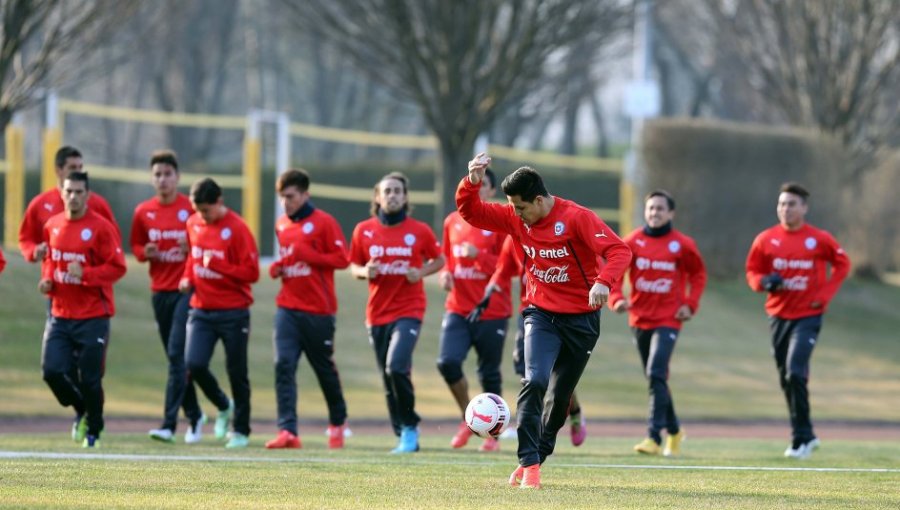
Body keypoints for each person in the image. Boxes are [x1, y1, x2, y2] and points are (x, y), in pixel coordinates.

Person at [457, 155, 631, 489]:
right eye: (512, 208)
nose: (516, 214)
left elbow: (620, 251)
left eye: (521, 207)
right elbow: (472, 212)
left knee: (558, 398)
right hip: (541, 315)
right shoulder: (515, 217)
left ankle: (535, 461)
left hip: (582, 321)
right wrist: (472, 182)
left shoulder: (577, 218)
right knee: (534, 381)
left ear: (538, 200)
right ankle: (529, 465)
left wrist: (603, 282)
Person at [745, 182, 850, 459]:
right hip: (778, 315)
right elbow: (752, 272)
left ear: (804, 207)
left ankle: (798, 439)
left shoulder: (819, 238)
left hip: (808, 315)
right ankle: (807, 435)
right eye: (781, 204)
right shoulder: (765, 239)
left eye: (791, 204)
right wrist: (765, 281)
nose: (785, 209)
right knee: (786, 378)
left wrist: (824, 294)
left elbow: (843, 264)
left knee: (794, 371)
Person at [349, 172, 444, 454]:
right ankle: (402, 432)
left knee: (396, 366)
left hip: (409, 310)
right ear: (377, 197)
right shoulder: (363, 230)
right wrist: (365, 271)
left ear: (405, 197)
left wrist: (421, 272)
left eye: (397, 191)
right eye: (387, 191)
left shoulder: (419, 230)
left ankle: (411, 426)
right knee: (388, 378)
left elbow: (439, 259)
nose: (392, 195)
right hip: (377, 315)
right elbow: (353, 265)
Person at [609, 190, 707, 457]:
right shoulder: (633, 241)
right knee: (656, 378)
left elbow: (698, 274)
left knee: (655, 372)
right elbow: (615, 270)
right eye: (651, 208)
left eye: (660, 209)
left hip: (669, 319)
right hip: (639, 318)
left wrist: (690, 303)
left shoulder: (682, 244)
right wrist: (616, 298)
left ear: (670, 213)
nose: (654, 213)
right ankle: (674, 430)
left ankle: (653, 437)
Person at [38, 171, 126, 448]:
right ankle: (82, 409)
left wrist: (86, 273)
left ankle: (94, 430)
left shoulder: (100, 228)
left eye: (79, 192)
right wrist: (47, 281)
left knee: (90, 379)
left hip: (93, 317)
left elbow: (117, 267)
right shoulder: (52, 225)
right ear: (61, 193)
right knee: (51, 372)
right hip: (60, 315)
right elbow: (52, 261)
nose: (73, 197)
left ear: (87, 195)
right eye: (69, 191)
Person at [265, 169, 351, 450]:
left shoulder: (324, 222)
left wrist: (309, 256)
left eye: (290, 197)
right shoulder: (281, 224)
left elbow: (342, 259)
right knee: (283, 364)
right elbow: (290, 258)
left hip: (319, 311)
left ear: (305, 195)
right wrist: (281, 267)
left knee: (323, 369)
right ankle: (288, 430)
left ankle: (337, 423)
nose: (285, 203)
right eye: (281, 197)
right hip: (287, 307)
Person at [130, 150, 208, 444]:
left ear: (178, 177)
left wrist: (191, 248)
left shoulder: (191, 210)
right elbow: (136, 246)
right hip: (158, 292)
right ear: (152, 179)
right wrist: (143, 252)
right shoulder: (143, 212)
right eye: (158, 174)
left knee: (177, 355)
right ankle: (196, 414)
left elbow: (206, 242)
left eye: (168, 174)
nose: (163, 179)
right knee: (176, 360)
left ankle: (168, 424)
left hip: (186, 290)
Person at [179, 178, 259, 449]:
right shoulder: (193, 223)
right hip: (201, 309)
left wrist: (221, 266)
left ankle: (241, 430)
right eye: (198, 210)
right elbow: (193, 257)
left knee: (237, 371)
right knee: (193, 364)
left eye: (206, 210)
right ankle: (224, 405)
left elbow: (252, 273)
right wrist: (187, 277)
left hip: (233, 312)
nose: (202, 216)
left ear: (219, 202)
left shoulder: (237, 229)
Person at [437, 167, 510, 453]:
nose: (478, 190)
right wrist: (445, 273)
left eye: (484, 185)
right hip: (458, 307)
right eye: (474, 185)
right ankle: (467, 419)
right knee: (447, 362)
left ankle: (492, 432)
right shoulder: (452, 221)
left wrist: (478, 255)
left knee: (489, 373)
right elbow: (447, 258)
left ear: (491, 191)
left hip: (492, 309)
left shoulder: (501, 222)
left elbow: (508, 268)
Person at [490, 235, 588, 447]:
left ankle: (575, 412)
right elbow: (503, 270)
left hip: (562, 315)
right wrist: (491, 290)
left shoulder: (562, 237)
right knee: (530, 375)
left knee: (558, 375)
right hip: (530, 314)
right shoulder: (513, 238)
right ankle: (529, 424)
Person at [19, 146, 120, 263]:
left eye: (80, 167)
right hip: (54, 278)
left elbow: (114, 240)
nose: (78, 171)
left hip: (90, 279)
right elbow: (26, 238)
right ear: (58, 170)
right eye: (72, 167)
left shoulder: (98, 204)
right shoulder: (40, 203)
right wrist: (34, 251)